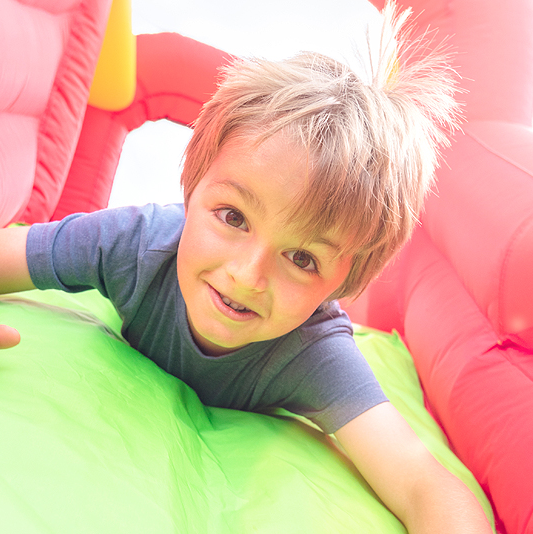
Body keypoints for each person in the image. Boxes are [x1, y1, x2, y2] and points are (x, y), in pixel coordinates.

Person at [0, 3, 492, 532]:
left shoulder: (314, 351)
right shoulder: (130, 244)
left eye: (303, 259)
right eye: (233, 217)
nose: (247, 275)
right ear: (191, 189)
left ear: (342, 282)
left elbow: (424, 485)